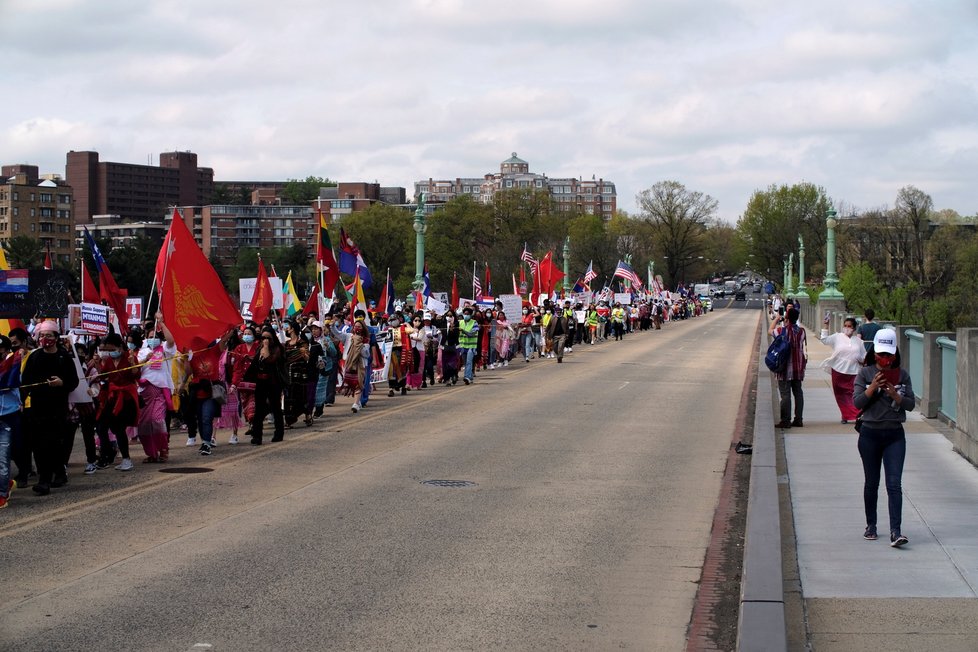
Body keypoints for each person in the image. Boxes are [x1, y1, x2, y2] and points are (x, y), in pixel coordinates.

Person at [853, 328, 915, 547]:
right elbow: (857, 403)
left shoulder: (903, 375)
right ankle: (871, 525)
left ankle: (896, 531)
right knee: (872, 482)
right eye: (881, 355)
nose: (886, 359)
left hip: (894, 435)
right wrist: (872, 388)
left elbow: (911, 404)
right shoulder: (865, 373)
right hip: (870, 434)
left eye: (889, 355)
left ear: (895, 354)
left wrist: (895, 395)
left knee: (894, 484)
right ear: (874, 353)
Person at [19, 321, 79, 494]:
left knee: (54, 444)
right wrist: (22, 401)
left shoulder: (64, 357)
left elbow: (73, 381)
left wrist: (62, 383)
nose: (45, 339)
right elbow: (26, 383)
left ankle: (54, 475)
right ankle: (46, 478)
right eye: (42, 335)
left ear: (56, 338)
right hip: (38, 408)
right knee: (39, 445)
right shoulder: (35, 357)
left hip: (58, 408)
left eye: (49, 336)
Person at [94, 332, 140, 471]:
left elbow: (137, 375)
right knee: (102, 426)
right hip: (112, 397)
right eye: (107, 350)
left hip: (126, 398)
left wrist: (133, 364)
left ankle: (126, 459)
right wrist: (97, 364)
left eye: (111, 349)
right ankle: (108, 453)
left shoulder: (130, 357)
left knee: (119, 428)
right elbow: (104, 375)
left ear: (120, 347)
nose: (109, 352)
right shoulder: (108, 361)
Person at [136, 314, 177, 460]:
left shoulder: (165, 349)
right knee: (144, 425)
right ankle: (151, 454)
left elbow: (171, 340)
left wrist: (161, 322)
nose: (152, 339)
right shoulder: (141, 351)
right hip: (144, 393)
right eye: (150, 337)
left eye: (155, 336)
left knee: (157, 420)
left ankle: (163, 449)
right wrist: (143, 360)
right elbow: (134, 370)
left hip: (160, 392)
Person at [244, 326, 286, 445]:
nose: (265, 340)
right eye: (263, 337)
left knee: (275, 408)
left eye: (268, 337)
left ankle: (279, 433)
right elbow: (257, 363)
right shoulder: (259, 348)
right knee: (259, 409)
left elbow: (269, 360)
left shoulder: (277, 348)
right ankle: (257, 436)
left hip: (273, 382)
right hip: (260, 382)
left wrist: (266, 347)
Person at [819, 317, 865, 424]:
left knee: (854, 393)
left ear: (854, 328)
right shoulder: (837, 337)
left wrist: (862, 361)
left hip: (854, 371)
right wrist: (826, 326)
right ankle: (845, 415)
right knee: (841, 395)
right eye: (845, 326)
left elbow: (864, 356)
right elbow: (824, 340)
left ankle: (857, 414)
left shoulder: (859, 342)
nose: (847, 328)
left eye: (850, 326)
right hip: (838, 370)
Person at [769, 307, 807, 428]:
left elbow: (770, 331)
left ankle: (785, 420)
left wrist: (777, 319)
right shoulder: (802, 332)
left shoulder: (782, 331)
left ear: (787, 317)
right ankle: (798, 419)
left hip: (784, 368)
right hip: (798, 367)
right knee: (798, 393)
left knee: (785, 395)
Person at [0, 334, 21, 508]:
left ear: (6, 351)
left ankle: (1, 493)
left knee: (3, 458)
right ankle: (5, 484)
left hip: (7, 418)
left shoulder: (13, 368)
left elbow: (14, 386)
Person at [458, 307, 479, 385]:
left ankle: (466, 377)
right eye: (465, 314)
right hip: (463, 346)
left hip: (471, 346)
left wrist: (463, 331)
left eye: (467, 314)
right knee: (465, 362)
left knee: (469, 362)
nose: (466, 315)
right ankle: (470, 377)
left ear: (470, 315)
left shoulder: (474, 323)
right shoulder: (460, 322)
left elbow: (471, 334)